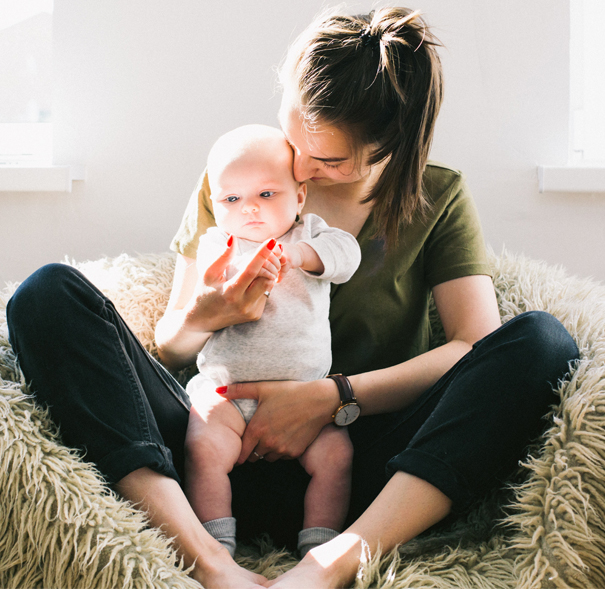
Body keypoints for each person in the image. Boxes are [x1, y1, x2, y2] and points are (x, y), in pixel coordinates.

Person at [6, 6, 579, 589]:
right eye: (293, 132)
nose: (299, 167)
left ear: (390, 146)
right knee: (46, 295)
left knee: (543, 343)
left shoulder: (438, 197)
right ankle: (204, 557)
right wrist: (206, 317)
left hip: (355, 468)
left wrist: (331, 399)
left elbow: (471, 346)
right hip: (210, 448)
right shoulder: (241, 176)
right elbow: (170, 352)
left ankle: (334, 562)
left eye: (328, 160)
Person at [184, 124, 361, 559]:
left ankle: (318, 548)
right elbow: (205, 278)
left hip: (306, 399)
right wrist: (224, 269)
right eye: (232, 199)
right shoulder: (218, 242)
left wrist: (300, 256)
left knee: (337, 457)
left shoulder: (310, 236)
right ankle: (216, 545)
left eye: (266, 195)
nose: (249, 210)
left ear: (299, 197)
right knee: (201, 449)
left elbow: (347, 256)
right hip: (227, 395)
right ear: (214, 203)